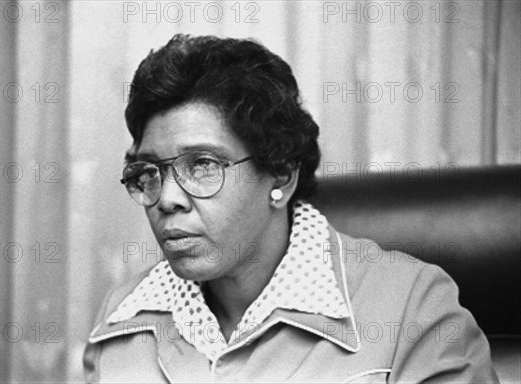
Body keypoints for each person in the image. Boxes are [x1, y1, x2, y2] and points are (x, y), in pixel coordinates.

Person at [83, 34, 498, 383]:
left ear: (281, 175)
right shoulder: (123, 317)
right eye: (149, 171)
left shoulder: (414, 308)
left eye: (203, 165)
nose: (167, 199)